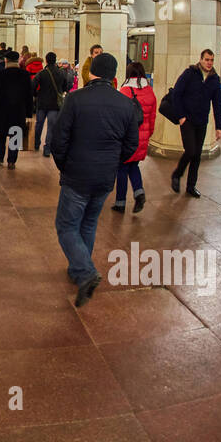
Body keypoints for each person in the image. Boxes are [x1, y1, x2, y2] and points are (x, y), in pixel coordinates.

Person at [50, 53, 141, 306]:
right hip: (104, 178)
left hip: (77, 175)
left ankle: (86, 272)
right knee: (88, 224)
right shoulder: (126, 104)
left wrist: (64, 166)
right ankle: (79, 269)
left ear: (92, 73)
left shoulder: (76, 100)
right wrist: (112, 163)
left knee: (66, 226)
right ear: (114, 76)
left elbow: (59, 140)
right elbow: (131, 144)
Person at [168, 48, 221, 198]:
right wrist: (181, 116)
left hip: (201, 121)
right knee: (190, 150)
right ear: (201, 59)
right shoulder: (189, 74)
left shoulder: (214, 79)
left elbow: (217, 103)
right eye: (207, 60)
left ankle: (191, 186)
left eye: (211, 60)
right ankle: (177, 174)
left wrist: (219, 126)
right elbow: (177, 94)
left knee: (197, 155)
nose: (209, 63)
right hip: (187, 120)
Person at [114, 60, 157, 213]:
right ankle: (139, 192)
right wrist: (148, 134)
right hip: (142, 138)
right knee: (133, 166)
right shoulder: (150, 91)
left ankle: (120, 203)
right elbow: (152, 117)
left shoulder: (125, 91)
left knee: (122, 168)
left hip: (127, 138)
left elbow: (118, 117)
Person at [0, 50, 33, 170]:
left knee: (0, 135)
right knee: (15, 135)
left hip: (1, 110)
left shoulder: (0, 75)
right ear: (18, 60)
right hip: (18, 111)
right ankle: (11, 161)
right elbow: (29, 96)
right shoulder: (25, 75)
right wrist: (28, 112)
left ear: (6, 60)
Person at [33, 52, 68, 155]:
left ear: (46, 60)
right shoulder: (61, 73)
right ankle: (47, 149)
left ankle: (36, 144)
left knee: (39, 124)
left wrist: (36, 94)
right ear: (55, 60)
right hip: (54, 105)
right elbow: (65, 87)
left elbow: (33, 85)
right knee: (51, 127)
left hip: (42, 103)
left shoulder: (42, 73)